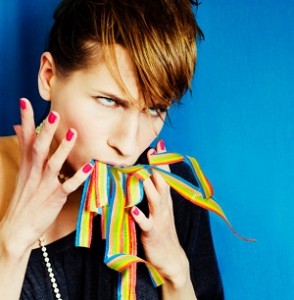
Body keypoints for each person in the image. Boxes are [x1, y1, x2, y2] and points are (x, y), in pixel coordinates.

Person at [0, 0, 224, 299]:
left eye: (156, 109)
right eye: (109, 101)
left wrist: (176, 274)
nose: (129, 144)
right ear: (49, 77)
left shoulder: (170, 190)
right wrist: (10, 247)